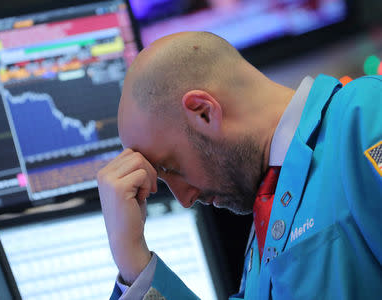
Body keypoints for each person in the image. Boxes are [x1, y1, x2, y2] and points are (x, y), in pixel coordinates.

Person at [97, 31, 382, 299]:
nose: (185, 200)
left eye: (171, 167)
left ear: (204, 113)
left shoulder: (365, 113)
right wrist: (133, 260)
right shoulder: (262, 235)